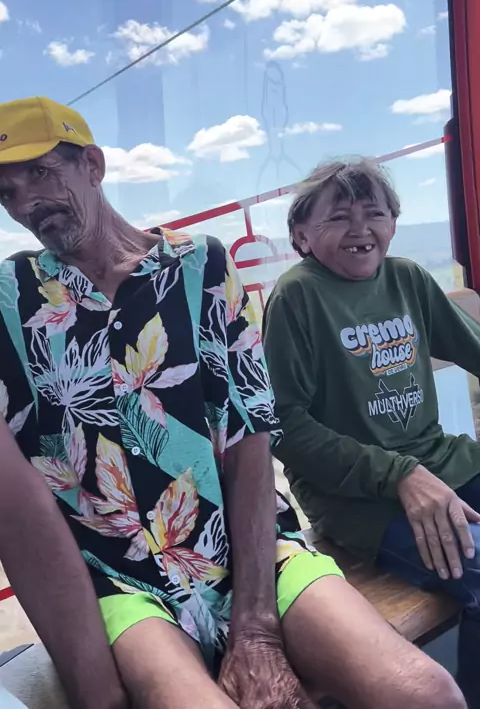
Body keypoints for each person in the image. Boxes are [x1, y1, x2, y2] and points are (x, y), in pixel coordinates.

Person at [0, 99, 464, 709]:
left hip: (248, 546)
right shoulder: (11, 299)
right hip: (123, 580)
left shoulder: (201, 266)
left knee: (426, 693)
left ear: (93, 164)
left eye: (40, 173)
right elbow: (18, 509)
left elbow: (251, 439)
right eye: (7, 191)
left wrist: (255, 628)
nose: (27, 203)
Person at [262, 156, 480, 709]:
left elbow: (473, 347)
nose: (360, 228)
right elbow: (284, 427)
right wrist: (399, 474)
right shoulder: (296, 297)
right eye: (338, 217)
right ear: (301, 235)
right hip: (360, 500)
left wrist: (417, 469)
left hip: (440, 462)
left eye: (374, 213)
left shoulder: (407, 279)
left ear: (393, 224)